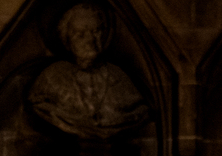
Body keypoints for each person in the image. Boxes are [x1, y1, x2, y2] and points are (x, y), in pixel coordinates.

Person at [28, 3, 149, 139]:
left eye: (96, 31)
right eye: (80, 34)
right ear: (66, 38)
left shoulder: (118, 76)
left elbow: (140, 112)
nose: (90, 40)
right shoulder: (51, 76)